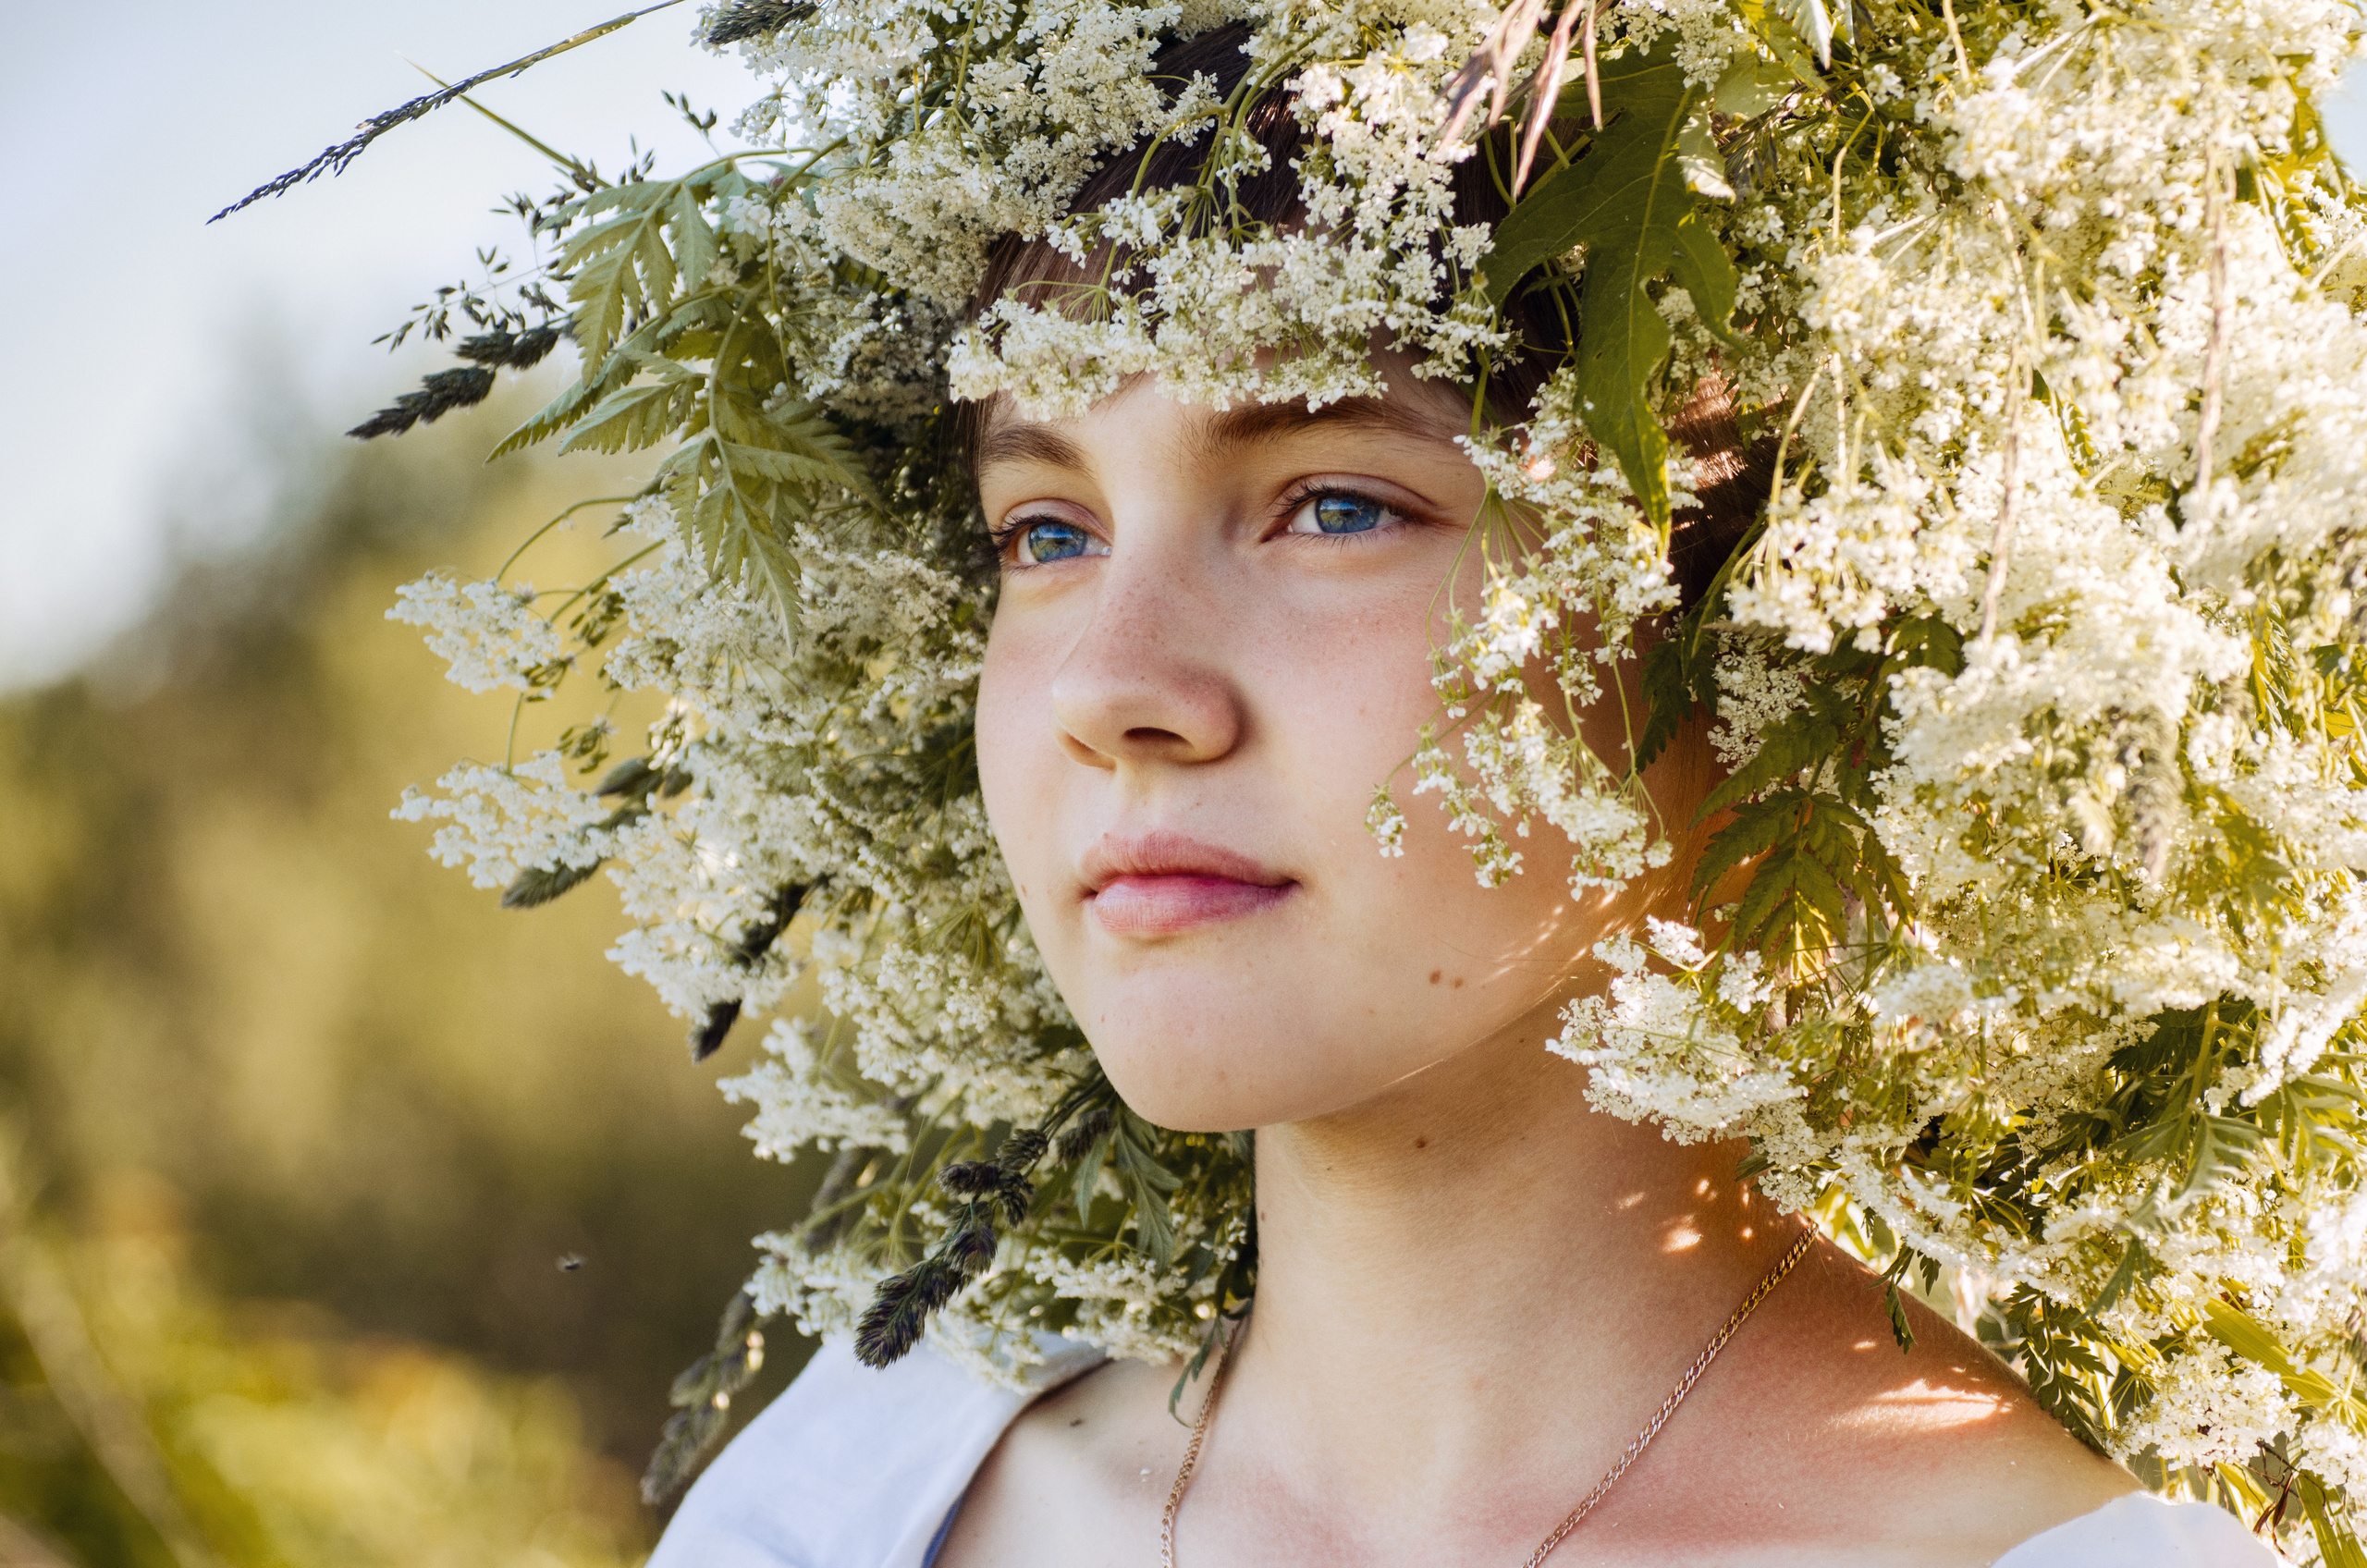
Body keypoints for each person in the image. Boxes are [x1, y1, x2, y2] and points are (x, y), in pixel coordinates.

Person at [641, 31, 2285, 1566]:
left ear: (1796, 621)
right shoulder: (856, 1506)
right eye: (1046, 535)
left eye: (1337, 505)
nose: (1108, 689)